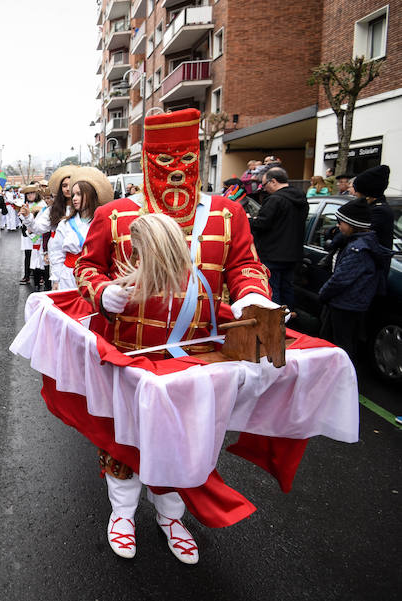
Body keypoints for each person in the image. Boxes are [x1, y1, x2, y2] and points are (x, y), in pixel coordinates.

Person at [74, 108, 276, 565]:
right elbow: (87, 266)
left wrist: (252, 298)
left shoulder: (227, 214)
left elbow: (244, 266)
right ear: (147, 160)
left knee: (185, 439)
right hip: (130, 351)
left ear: (198, 156)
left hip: (200, 355)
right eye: (164, 160)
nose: (176, 170)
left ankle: (171, 515)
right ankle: (122, 512)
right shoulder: (115, 214)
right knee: (124, 437)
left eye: (186, 158)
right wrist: (102, 292)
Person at [318, 199, 391, 362]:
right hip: (350, 304)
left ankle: (342, 380)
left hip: (345, 305)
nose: (338, 226)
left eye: (341, 222)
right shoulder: (358, 243)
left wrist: (323, 293)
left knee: (341, 348)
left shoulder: (358, 249)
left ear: (352, 224)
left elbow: (340, 279)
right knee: (341, 344)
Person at [249, 167, 308, 310]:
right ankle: (288, 318)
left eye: (264, 184)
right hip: (293, 254)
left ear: (273, 181)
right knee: (287, 287)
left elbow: (262, 224)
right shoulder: (301, 199)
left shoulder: (275, 200)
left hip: (272, 253)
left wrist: (250, 220)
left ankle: (274, 321)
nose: (263, 188)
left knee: (272, 289)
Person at [53, 168, 111, 290]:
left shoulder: (104, 223)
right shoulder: (65, 224)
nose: (74, 198)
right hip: (68, 278)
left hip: (96, 279)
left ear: (91, 195)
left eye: (79, 194)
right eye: (74, 194)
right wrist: (56, 280)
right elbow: (57, 254)